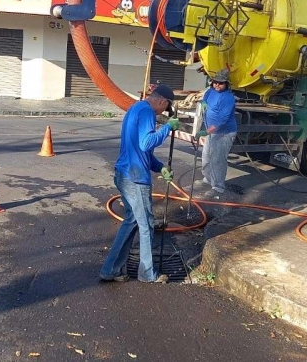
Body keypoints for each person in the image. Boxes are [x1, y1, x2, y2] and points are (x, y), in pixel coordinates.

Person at [100, 84, 180, 284]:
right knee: (146, 226)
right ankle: (147, 273)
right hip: (135, 178)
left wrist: (160, 167)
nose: (164, 112)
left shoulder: (136, 108)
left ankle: (111, 269)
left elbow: (141, 150)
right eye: (165, 108)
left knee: (132, 222)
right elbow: (146, 143)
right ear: (162, 102)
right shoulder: (147, 112)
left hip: (124, 173)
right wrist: (168, 128)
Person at [196, 69, 237, 196]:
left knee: (218, 160)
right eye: (215, 82)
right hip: (211, 132)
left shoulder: (228, 98)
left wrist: (205, 132)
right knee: (206, 157)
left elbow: (222, 120)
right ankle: (208, 179)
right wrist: (203, 103)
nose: (217, 85)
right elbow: (205, 99)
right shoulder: (210, 91)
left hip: (224, 133)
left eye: (221, 83)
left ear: (227, 84)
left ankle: (218, 187)